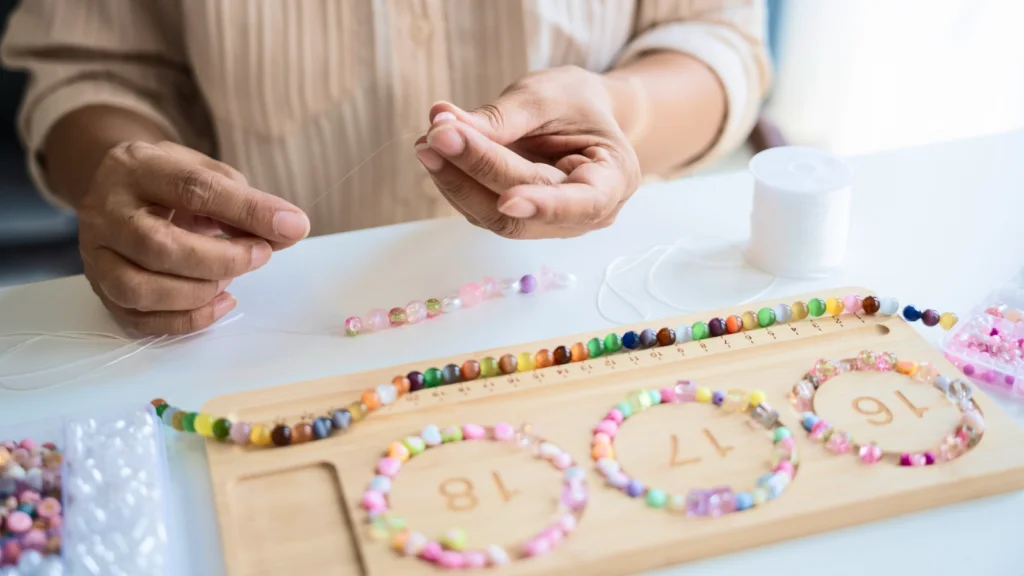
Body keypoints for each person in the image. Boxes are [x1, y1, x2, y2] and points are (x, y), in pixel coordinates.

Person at [1, 1, 770, 335]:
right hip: (271, 322)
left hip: (600, 299)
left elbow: (717, 37)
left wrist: (619, 111)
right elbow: (91, 65)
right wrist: (123, 171)